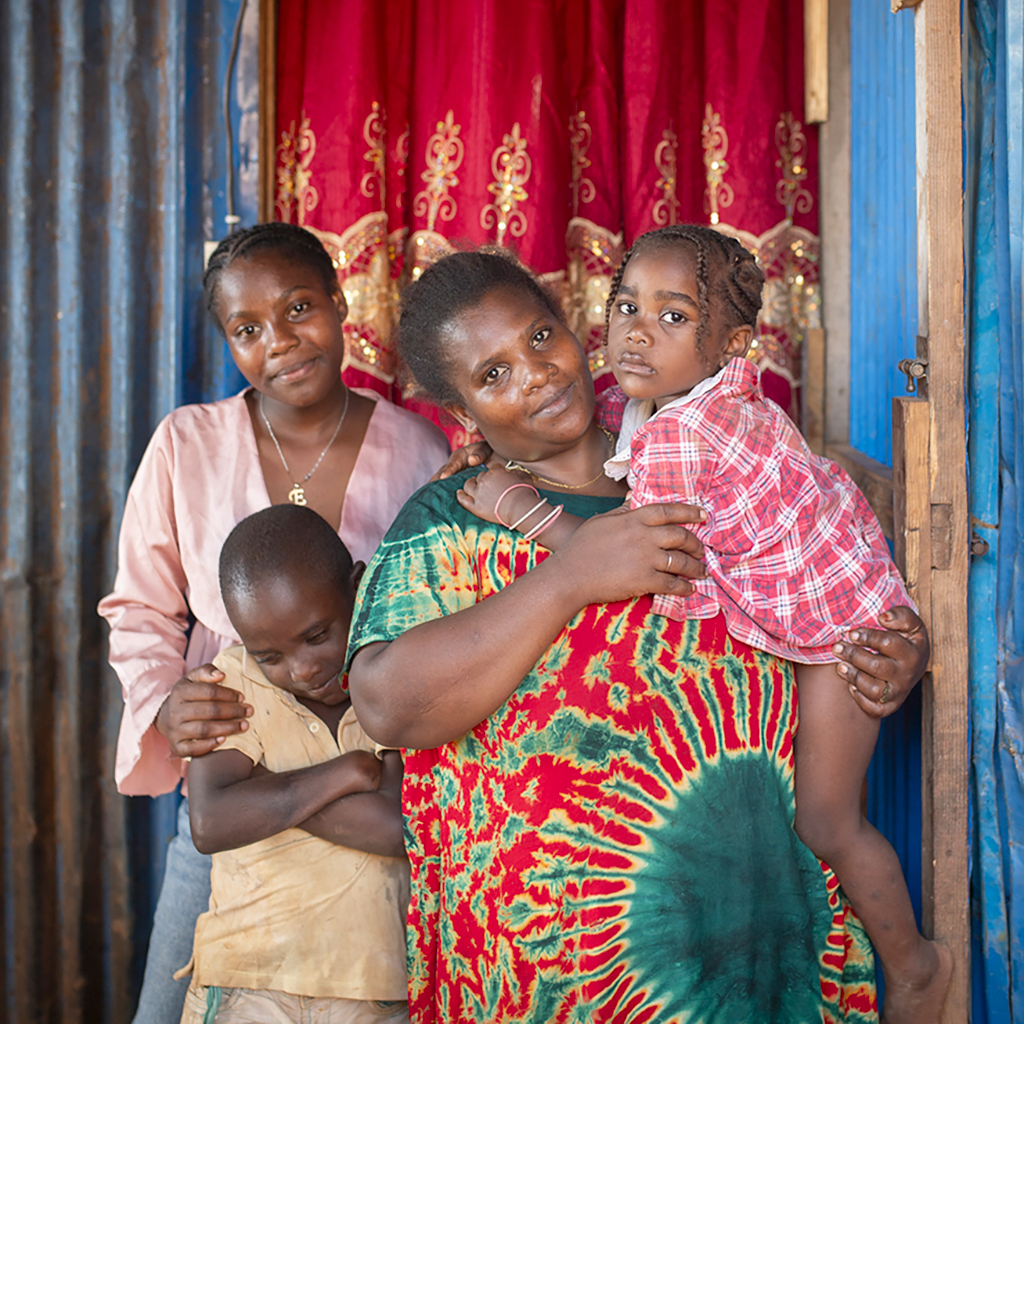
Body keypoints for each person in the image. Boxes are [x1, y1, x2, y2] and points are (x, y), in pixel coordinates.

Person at [345, 248, 931, 1024]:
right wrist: (569, 574)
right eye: (493, 376)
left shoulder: (715, 459)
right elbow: (387, 704)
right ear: (462, 416)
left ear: (570, 327)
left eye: (540, 338)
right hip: (554, 981)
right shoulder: (454, 517)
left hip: (759, 949)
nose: (537, 373)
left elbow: (820, 578)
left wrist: (893, 651)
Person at [98, 222, 449, 1023]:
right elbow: (139, 607)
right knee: (174, 1015)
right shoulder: (186, 444)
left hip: (378, 791)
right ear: (228, 341)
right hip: (234, 785)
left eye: (298, 308)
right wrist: (162, 698)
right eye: (247, 330)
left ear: (339, 301)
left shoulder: (418, 448)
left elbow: (444, 605)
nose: (280, 342)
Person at [177, 506, 408, 1025]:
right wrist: (347, 772)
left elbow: (395, 828)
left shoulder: (396, 673)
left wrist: (258, 790)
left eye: (315, 635)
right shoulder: (231, 684)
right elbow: (212, 823)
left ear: (357, 585)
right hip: (247, 981)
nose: (303, 669)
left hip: (373, 989)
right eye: (271, 657)